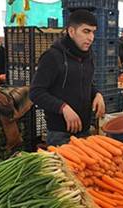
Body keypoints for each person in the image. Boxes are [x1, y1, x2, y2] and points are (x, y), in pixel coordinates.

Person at [29, 10, 105, 146]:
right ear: (71, 31)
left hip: (85, 130)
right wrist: (62, 107)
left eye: (93, 32)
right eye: (86, 31)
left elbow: (85, 82)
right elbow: (36, 92)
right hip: (60, 135)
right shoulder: (52, 57)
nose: (91, 37)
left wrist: (97, 93)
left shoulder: (88, 55)